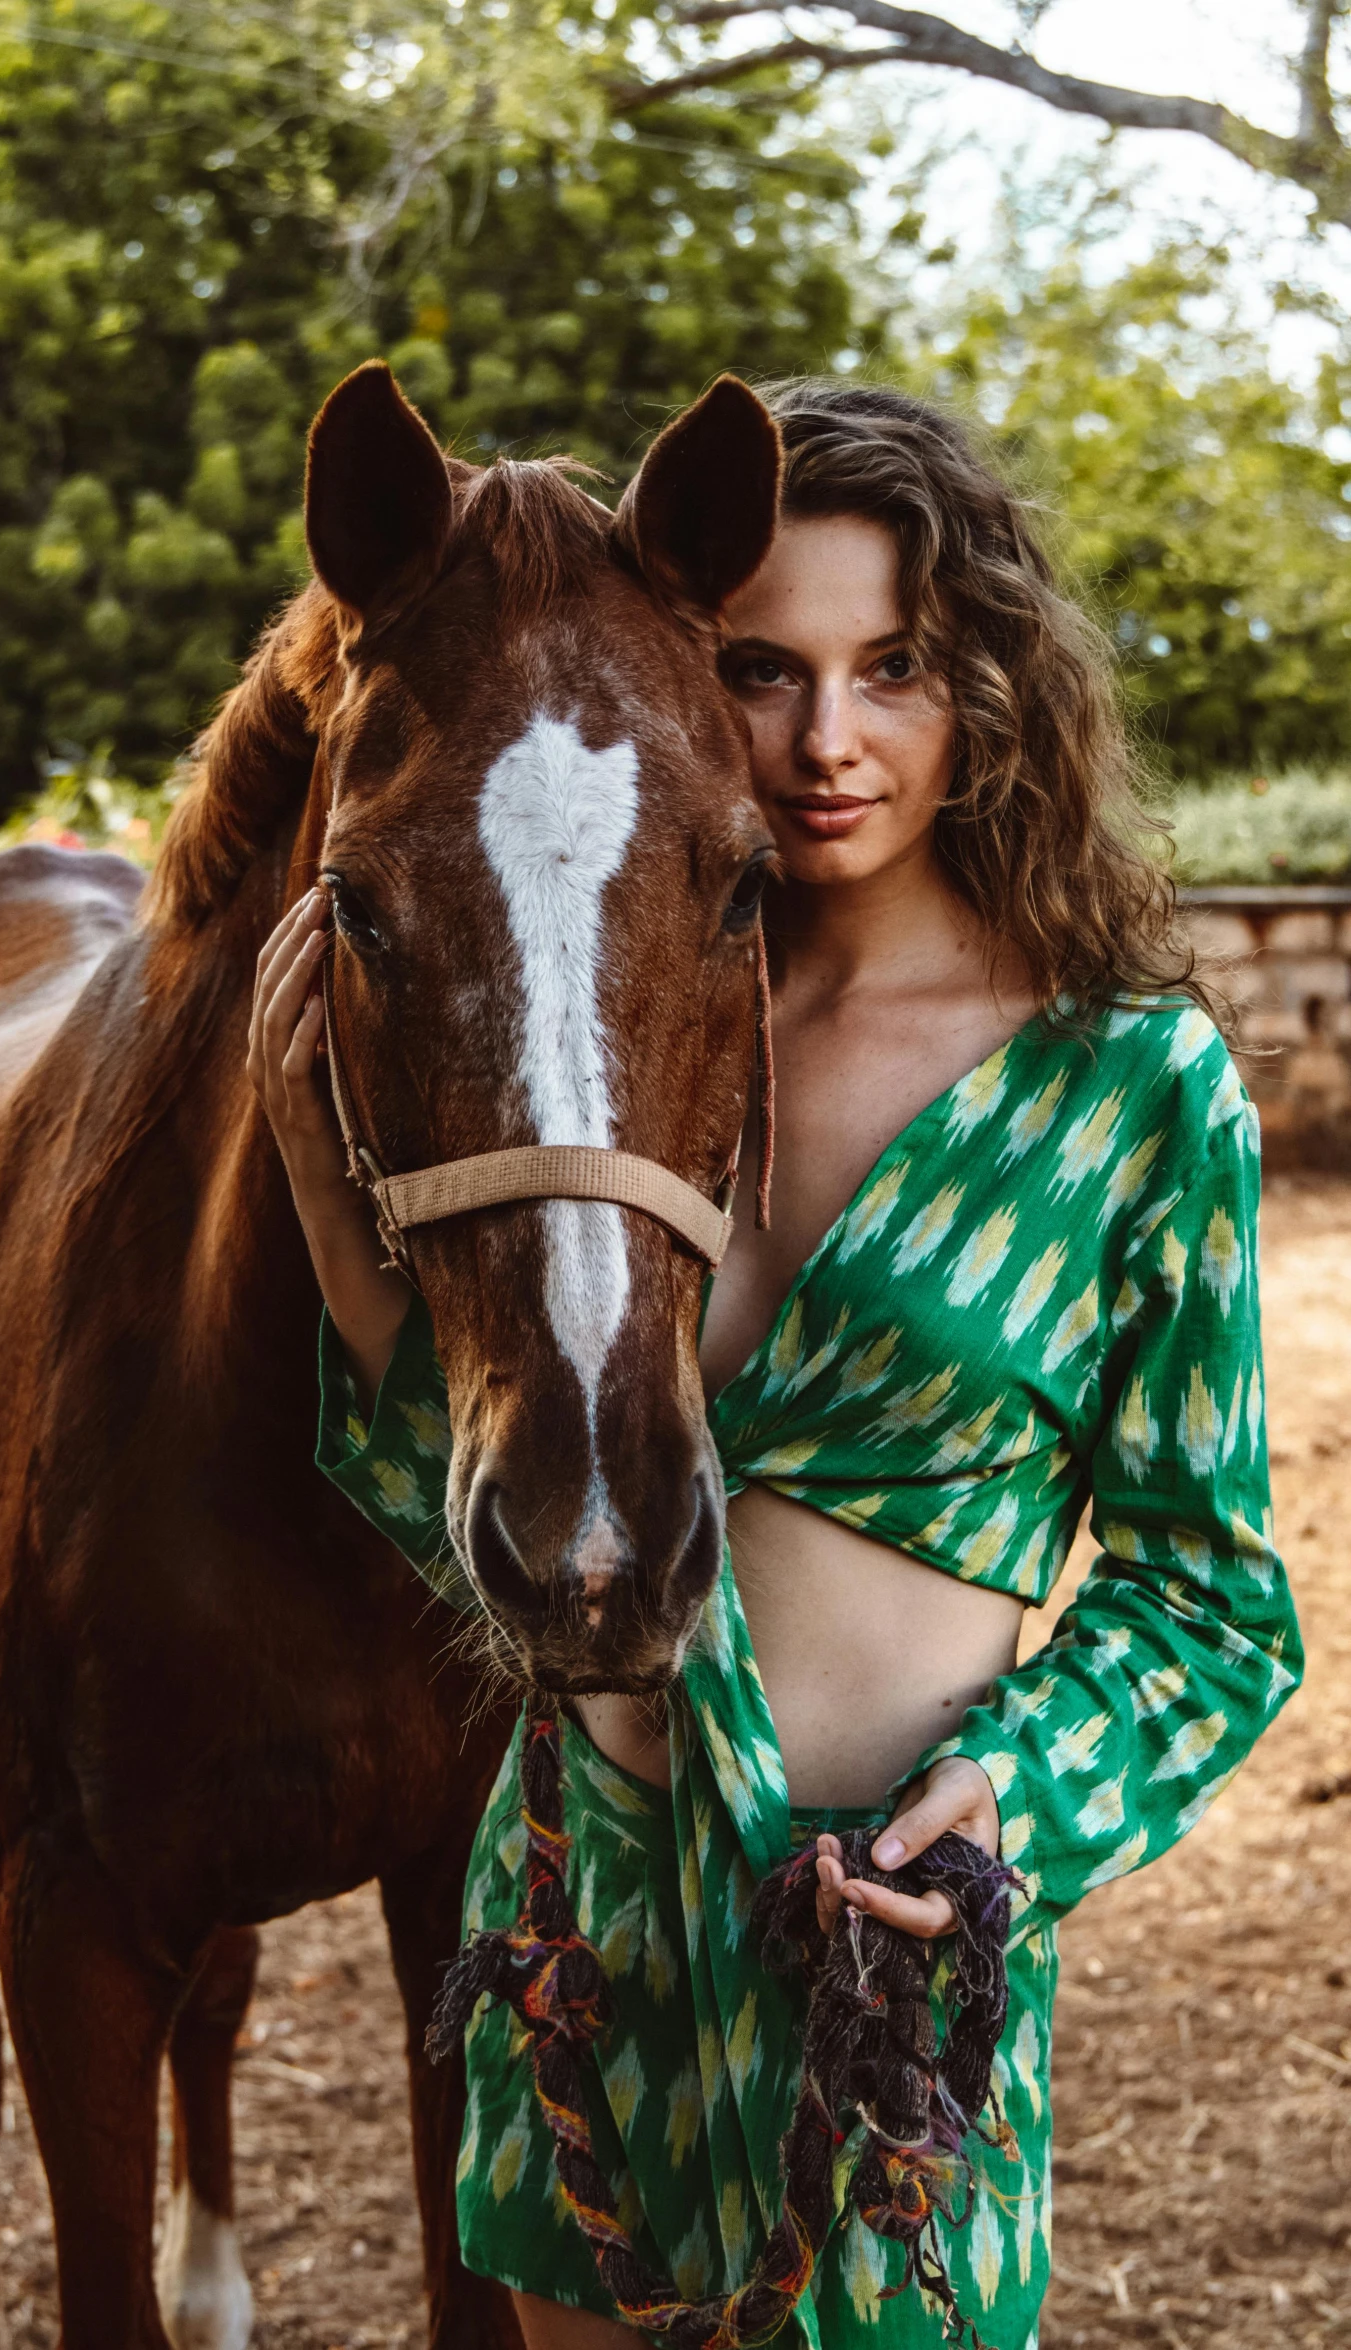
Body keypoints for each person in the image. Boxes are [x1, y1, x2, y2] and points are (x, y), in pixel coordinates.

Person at [249, 382, 1301, 2348]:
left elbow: (1211, 1596)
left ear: (986, 687)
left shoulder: (1133, 1086)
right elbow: (493, 1499)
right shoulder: (628, 1045)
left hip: (892, 1963)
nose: (828, 737)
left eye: (894, 666)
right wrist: (324, 1193)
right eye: (764, 667)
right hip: (585, 1919)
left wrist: (1026, 1799)